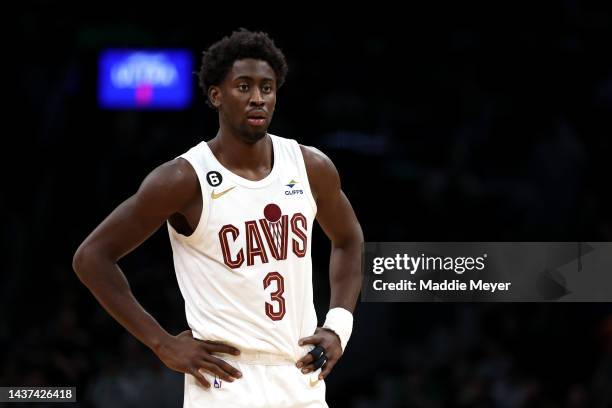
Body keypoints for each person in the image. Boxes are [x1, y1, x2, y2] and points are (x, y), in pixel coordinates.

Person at [72, 28, 363, 408]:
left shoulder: (310, 166)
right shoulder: (182, 179)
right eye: (243, 87)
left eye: (267, 88)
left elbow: (349, 239)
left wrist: (339, 326)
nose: (257, 98)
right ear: (216, 95)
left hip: (300, 379)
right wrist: (161, 342)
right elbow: (91, 258)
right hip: (226, 384)